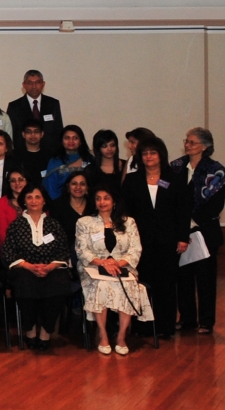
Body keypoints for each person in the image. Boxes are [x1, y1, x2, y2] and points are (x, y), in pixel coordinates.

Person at [121, 136, 190, 339]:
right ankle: (142, 327)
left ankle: (165, 326)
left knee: (166, 284)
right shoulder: (133, 180)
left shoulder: (175, 178)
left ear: (161, 155)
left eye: (153, 152)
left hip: (167, 241)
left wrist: (183, 237)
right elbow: (126, 212)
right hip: (139, 242)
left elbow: (183, 211)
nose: (149, 156)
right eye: (145, 153)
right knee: (141, 283)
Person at [76, 187, 152, 354]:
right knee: (101, 285)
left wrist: (117, 263)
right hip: (94, 268)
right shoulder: (84, 222)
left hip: (123, 267)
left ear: (114, 202)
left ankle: (121, 337)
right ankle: (103, 335)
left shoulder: (128, 222)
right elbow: (82, 250)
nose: (102, 202)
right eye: (98, 198)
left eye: (106, 198)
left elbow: (135, 250)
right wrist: (103, 263)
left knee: (130, 286)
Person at [2, 185, 72, 350]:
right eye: (29, 197)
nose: (33, 201)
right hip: (24, 269)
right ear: (24, 201)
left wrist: (49, 267)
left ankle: (46, 331)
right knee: (24, 283)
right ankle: (30, 329)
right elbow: (8, 251)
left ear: (44, 200)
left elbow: (63, 250)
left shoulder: (54, 224)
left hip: (52, 268)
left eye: (37, 197)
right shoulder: (16, 225)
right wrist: (29, 266)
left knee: (60, 284)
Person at [171, 127, 224, 334]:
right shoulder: (176, 167)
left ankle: (206, 321)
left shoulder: (216, 171)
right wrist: (180, 225)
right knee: (183, 278)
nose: (187, 145)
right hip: (180, 232)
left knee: (205, 279)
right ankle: (187, 319)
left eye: (192, 142)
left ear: (205, 146)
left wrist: (192, 221)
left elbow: (215, 204)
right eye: (186, 141)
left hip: (204, 232)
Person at [7, 70, 63, 156]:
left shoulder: (53, 104)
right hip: (22, 155)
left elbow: (58, 130)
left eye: (37, 82)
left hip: (50, 154)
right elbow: (12, 134)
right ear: (24, 85)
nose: (34, 86)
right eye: (30, 83)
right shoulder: (14, 106)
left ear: (43, 84)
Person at [44, 125, 93, 200]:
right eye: (67, 138)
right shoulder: (55, 160)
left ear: (81, 142)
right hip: (60, 203)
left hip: (87, 203)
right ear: (61, 141)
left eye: (75, 138)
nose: (71, 141)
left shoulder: (90, 159)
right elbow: (51, 187)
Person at [51, 172, 94, 253]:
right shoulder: (57, 206)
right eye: (74, 183)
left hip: (93, 251)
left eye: (82, 184)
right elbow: (54, 234)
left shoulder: (94, 206)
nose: (78, 187)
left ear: (87, 188)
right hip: (65, 252)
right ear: (68, 186)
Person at [0, 168, 30, 249]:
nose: (17, 183)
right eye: (13, 180)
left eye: (21, 179)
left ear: (27, 181)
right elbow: (2, 234)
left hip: (35, 248)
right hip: (10, 250)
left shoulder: (35, 200)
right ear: (9, 183)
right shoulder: (1, 203)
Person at [11, 122, 52, 187]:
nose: (33, 135)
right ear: (23, 134)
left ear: (42, 134)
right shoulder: (14, 155)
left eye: (36, 131)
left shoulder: (50, 156)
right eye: (28, 132)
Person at [88, 129, 124, 199]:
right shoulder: (90, 170)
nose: (109, 149)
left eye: (112, 145)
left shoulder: (126, 166)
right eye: (104, 146)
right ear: (98, 148)